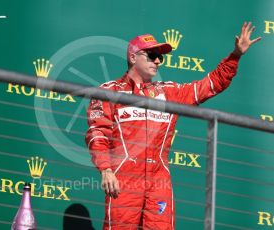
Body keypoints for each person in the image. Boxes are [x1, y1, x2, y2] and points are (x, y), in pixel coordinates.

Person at [85, 22, 261, 230]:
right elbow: (97, 133)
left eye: (161, 57)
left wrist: (235, 55)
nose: (158, 61)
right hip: (124, 180)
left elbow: (210, 85)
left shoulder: (169, 93)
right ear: (133, 57)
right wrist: (105, 170)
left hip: (159, 181)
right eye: (151, 55)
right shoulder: (109, 91)